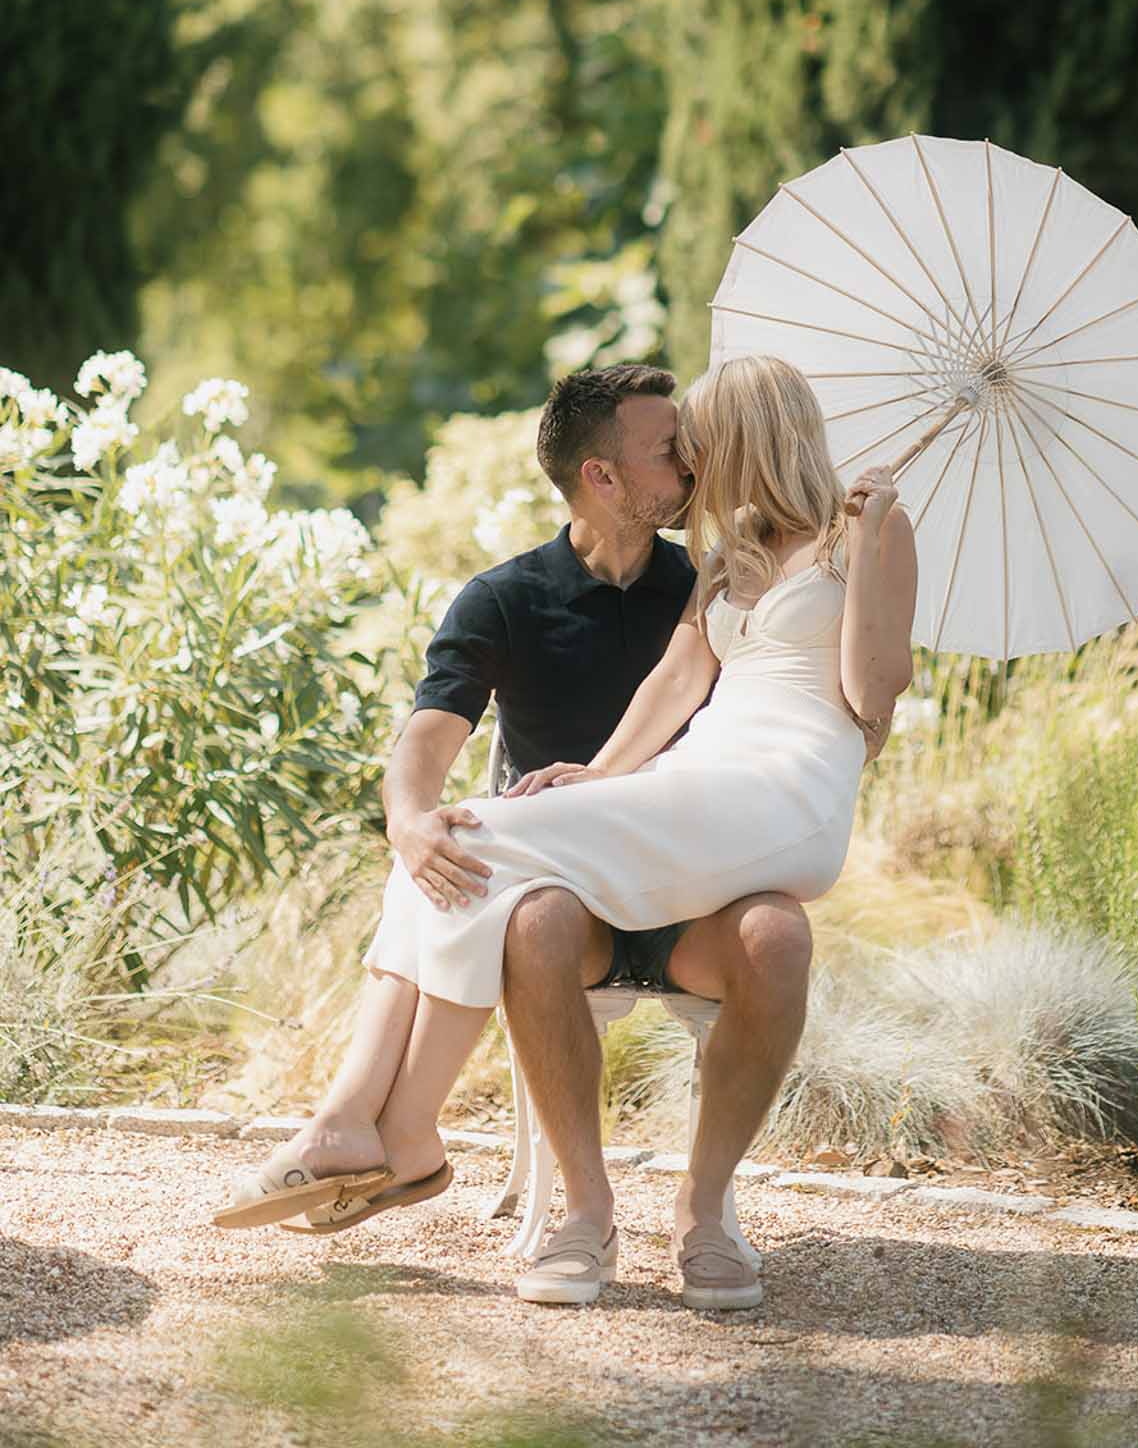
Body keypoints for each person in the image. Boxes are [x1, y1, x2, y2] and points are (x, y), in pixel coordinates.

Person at [215, 355, 917, 1311]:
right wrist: (598, 777)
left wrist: (874, 538)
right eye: (678, 448)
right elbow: (673, 686)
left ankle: (389, 1126)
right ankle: (404, 1137)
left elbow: (875, 695)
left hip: (782, 793)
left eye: (699, 442)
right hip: (695, 781)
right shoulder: (731, 552)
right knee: (459, 836)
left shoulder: (868, 532)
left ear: (750, 436)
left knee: (473, 835)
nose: (693, 461)